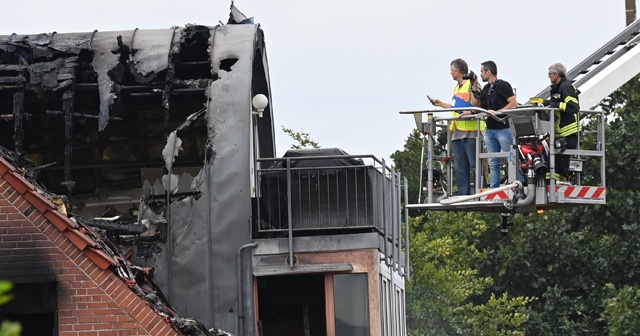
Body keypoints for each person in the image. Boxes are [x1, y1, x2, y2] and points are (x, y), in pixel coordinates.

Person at [431, 58, 484, 195]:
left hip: (472, 130)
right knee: (460, 166)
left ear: (458, 71)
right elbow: (456, 106)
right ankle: (463, 193)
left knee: (475, 164)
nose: (451, 73)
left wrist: (475, 85)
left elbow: (478, 103)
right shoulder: (457, 87)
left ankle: (483, 191)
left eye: (452, 70)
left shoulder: (472, 85)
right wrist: (441, 103)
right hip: (458, 129)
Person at [476, 60, 518, 188]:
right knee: (493, 162)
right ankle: (494, 189)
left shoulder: (503, 85)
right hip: (490, 129)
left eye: (482, 72)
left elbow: (513, 103)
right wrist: (474, 85)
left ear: (489, 72)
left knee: (511, 159)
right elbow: (478, 105)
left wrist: (497, 112)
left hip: (503, 128)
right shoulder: (486, 88)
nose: (481, 74)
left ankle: (517, 184)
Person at [546, 62, 580, 181]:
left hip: (568, 132)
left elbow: (574, 107)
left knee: (564, 164)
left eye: (549, 74)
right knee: (554, 165)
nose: (548, 76)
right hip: (559, 133)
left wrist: (554, 105)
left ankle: (566, 185)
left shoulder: (565, 86)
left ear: (556, 74)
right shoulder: (556, 88)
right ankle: (554, 186)